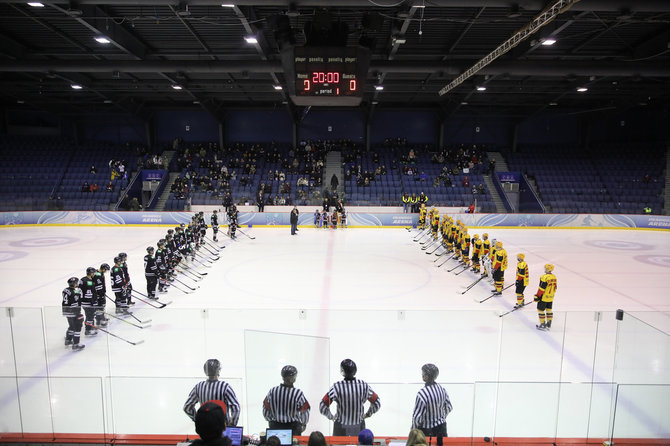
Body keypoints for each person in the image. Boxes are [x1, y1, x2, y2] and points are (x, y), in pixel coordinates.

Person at [319, 359, 381, 435]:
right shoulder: (363, 385)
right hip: (358, 426)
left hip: (340, 427)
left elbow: (322, 406)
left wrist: (332, 417)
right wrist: (368, 414)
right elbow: (377, 403)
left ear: (342, 371)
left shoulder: (337, 387)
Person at [184, 359, 241, 426]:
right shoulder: (225, 387)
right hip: (222, 429)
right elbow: (236, 408)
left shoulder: (199, 386)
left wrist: (198, 420)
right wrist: (232, 425)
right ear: (218, 371)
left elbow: (187, 407)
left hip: (205, 430)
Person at [411, 364, 453, 446]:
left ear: (426, 376)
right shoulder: (442, 389)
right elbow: (449, 407)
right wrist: (440, 418)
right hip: (442, 429)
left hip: (428, 432)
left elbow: (417, 418)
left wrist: (414, 431)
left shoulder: (422, 393)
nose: (422, 374)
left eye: (423, 373)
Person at [263, 365, 310, 435]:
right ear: (292, 378)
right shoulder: (297, 393)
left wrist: (270, 420)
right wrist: (303, 424)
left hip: (275, 427)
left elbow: (266, 409)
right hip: (293, 429)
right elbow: (305, 411)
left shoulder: (272, 391)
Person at [62, 277, 85, 351]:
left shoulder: (65, 290)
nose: (77, 284)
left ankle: (68, 340)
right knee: (77, 328)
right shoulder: (75, 293)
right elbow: (78, 301)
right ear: (74, 284)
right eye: (76, 283)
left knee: (71, 326)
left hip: (66, 311)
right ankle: (76, 344)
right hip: (74, 312)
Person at [534, 264, 558, 331]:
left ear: (548, 269)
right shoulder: (554, 277)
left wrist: (537, 296)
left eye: (546, 268)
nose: (545, 269)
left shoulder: (544, 277)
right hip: (551, 297)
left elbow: (541, 288)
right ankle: (549, 323)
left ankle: (542, 324)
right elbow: (555, 288)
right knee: (549, 310)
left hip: (543, 297)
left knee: (540, 310)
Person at [80, 267, 98, 336]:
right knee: (90, 316)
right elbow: (89, 294)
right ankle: (88, 330)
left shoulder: (82, 279)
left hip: (83, 302)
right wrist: (93, 302)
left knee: (88, 315)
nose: (94, 274)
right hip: (88, 302)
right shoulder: (89, 282)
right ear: (91, 273)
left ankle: (90, 327)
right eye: (93, 272)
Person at [93, 263, 110, 327]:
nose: (106, 271)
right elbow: (98, 287)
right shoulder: (98, 275)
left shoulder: (100, 273)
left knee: (101, 306)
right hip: (98, 294)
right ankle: (100, 320)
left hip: (101, 293)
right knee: (100, 307)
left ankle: (101, 318)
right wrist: (101, 294)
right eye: (106, 270)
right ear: (103, 269)